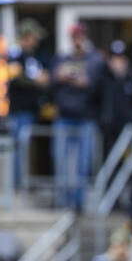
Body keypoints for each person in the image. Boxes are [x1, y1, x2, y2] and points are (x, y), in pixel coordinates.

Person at [51, 23, 102, 210]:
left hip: (85, 118)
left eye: (80, 36)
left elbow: (89, 82)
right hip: (64, 117)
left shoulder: (94, 59)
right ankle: (63, 201)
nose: (77, 40)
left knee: (83, 164)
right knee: (61, 162)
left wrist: (70, 76)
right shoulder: (62, 57)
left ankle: (79, 203)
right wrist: (70, 76)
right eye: (74, 36)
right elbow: (55, 77)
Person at [7, 19, 51, 189]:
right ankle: (16, 186)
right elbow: (17, 77)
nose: (36, 41)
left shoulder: (33, 56)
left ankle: (22, 183)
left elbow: (42, 76)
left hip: (30, 110)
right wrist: (36, 81)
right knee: (18, 148)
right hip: (19, 110)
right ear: (26, 37)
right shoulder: (15, 54)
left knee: (26, 149)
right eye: (34, 37)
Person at [98, 41, 132, 158]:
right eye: (115, 60)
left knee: (126, 158)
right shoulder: (103, 80)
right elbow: (95, 100)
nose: (118, 63)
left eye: (121, 60)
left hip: (125, 129)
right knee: (107, 159)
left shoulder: (131, 80)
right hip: (107, 130)